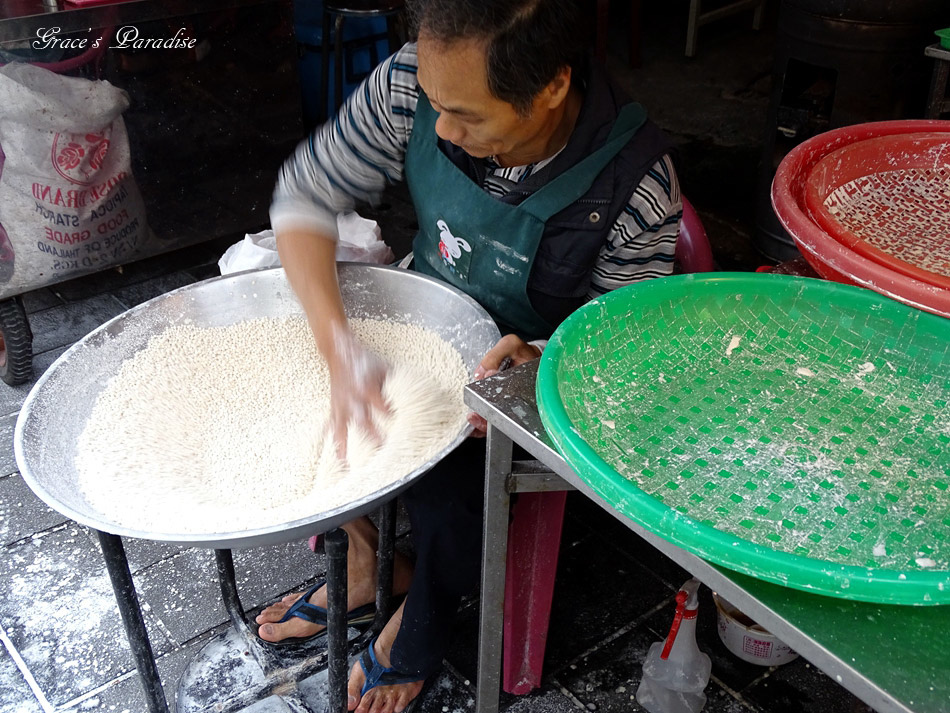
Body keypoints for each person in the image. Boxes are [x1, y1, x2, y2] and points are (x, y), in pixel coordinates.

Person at [256, 1, 682, 711]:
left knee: (454, 479)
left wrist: (543, 360)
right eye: (434, 103)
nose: (441, 127)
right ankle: (366, 559)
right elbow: (303, 197)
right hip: (429, 312)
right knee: (300, 384)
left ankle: (424, 611)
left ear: (549, 88)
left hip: (532, 372)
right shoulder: (413, 83)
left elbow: (624, 348)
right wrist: (337, 348)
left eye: (469, 117)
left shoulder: (635, 187)